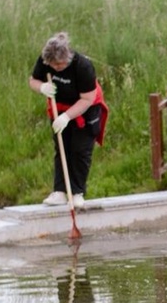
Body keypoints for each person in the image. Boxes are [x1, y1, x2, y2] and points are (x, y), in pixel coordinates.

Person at [29, 32, 108, 208]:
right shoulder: (45, 61)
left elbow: (87, 99)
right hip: (60, 107)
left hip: (86, 109)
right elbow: (33, 80)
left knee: (80, 150)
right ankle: (60, 192)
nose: (56, 67)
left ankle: (77, 192)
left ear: (67, 57)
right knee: (62, 147)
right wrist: (41, 87)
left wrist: (66, 117)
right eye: (53, 64)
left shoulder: (83, 66)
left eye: (60, 64)